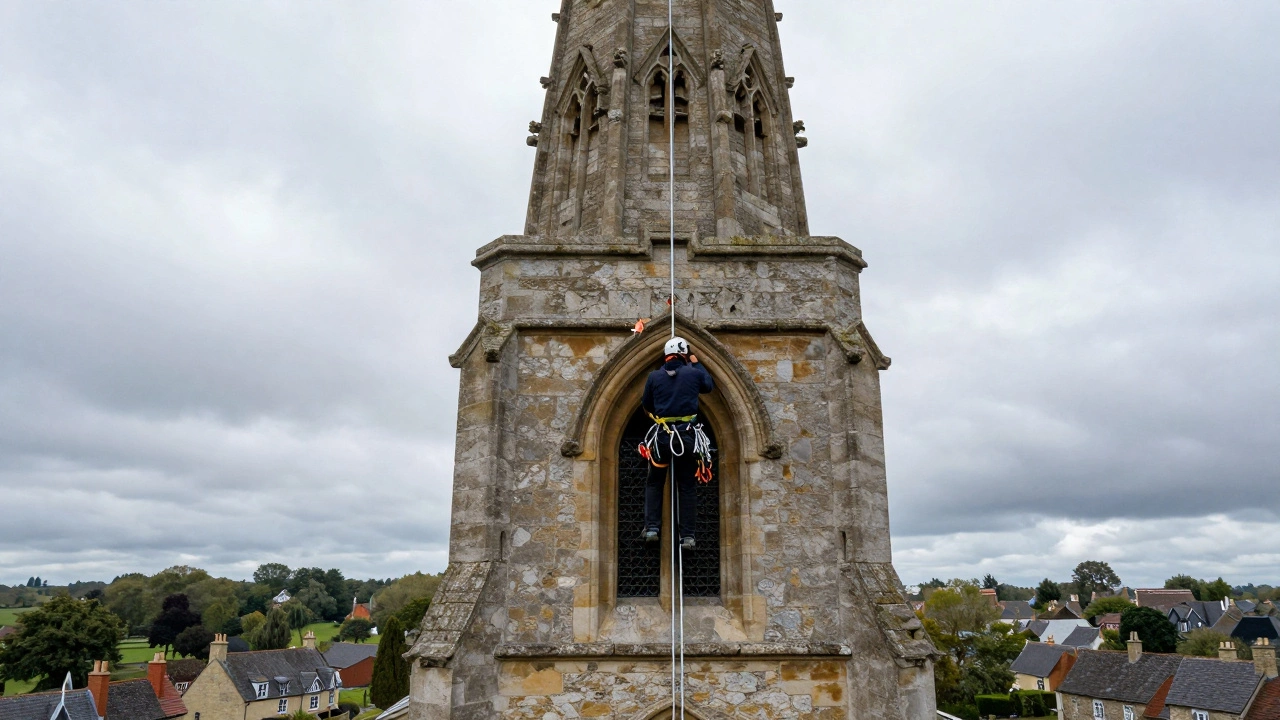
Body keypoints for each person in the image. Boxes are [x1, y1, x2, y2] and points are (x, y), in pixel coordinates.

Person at [641, 336, 714, 550]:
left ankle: (652, 527)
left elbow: (646, 403)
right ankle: (688, 536)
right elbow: (708, 386)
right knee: (687, 486)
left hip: (663, 438)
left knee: (655, 482)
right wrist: (696, 362)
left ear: (666, 355)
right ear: (683, 354)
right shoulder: (693, 373)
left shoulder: (654, 376)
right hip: (688, 438)